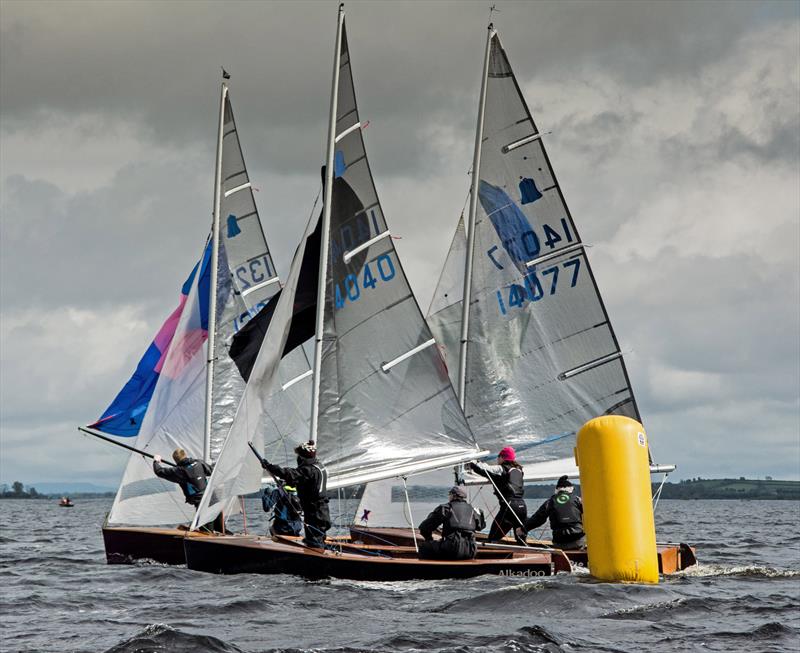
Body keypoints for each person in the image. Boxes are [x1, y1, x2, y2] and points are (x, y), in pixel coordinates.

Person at [259, 441, 331, 549]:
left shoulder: (308, 470)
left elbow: (289, 474)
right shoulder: (319, 467)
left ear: (302, 457)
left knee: (315, 545)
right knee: (317, 541)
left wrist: (269, 467)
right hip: (321, 511)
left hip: (315, 514)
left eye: (299, 456)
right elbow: (304, 481)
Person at [153, 448, 223, 532]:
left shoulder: (179, 471)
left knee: (207, 533)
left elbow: (159, 471)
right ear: (185, 455)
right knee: (221, 531)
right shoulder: (199, 462)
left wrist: (156, 461)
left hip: (202, 505)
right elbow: (212, 472)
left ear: (176, 461)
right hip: (215, 500)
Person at [468, 446, 527, 544]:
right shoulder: (519, 471)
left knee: (493, 539)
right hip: (522, 507)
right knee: (521, 539)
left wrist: (471, 460)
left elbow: (484, 469)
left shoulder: (501, 469)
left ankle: (490, 556)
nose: (497, 459)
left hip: (509, 507)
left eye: (498, 457)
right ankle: (526, 555)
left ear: (503, 458)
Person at [515, 475, 585, 549]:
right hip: (577, 541)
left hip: (559, 542)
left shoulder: (550, 502)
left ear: (557, 490)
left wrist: (523, 529)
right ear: (571, 489)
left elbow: (538, 519)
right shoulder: (578, 500)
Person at [418, 486, 486, 560]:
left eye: (449, 494)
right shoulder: (473, 510)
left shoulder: (445, 508)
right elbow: (481, 527)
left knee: (424, 547)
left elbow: (424, 527)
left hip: (452, 548)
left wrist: (429, 539)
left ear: (453, 496)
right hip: (471, 550)